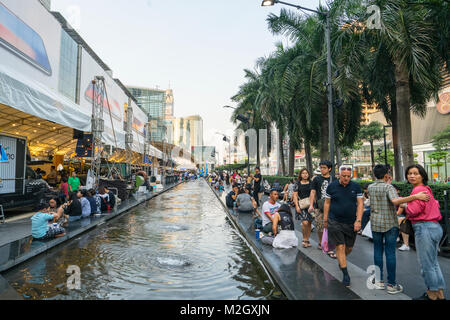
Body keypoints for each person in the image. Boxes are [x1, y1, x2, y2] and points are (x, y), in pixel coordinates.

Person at [368, 164, 431, 294]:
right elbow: (395, 201)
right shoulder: (388, 187)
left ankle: (379, 282)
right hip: (390, 224)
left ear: (375, 175)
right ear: (387, 175)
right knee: (390, 253)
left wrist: (387, 183)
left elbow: (384, 198)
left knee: (377, 251)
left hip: (375, 224)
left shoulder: (371, 186)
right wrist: (415, 197)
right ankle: (391, 284)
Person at [402, 164, 446, 301]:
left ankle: (431, 295)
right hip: (434, 227)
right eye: (410, 173)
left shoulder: (418, 190)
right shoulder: (426, 189)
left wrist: (405, 204)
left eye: (416, 173)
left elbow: (414, 211)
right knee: (433, 263)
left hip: (424, 228)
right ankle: (440, 294)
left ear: (422, 175)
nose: (412, 176)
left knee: (426, 264)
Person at [323, 165, 364, 288]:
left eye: (348, 176)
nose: (346, 178)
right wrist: (325, 219)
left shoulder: (356, 187)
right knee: (340, 246)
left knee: (349, 248)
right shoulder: (332, 186)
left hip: (351, 222)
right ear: (339, 175)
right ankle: (345, 274)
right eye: (344, 176)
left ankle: (342, 260)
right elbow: (327, 202)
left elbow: (360, 204)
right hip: (335, 221)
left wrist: (358, 220)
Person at [308, 160, 337, 254]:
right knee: (320, 226)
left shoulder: (334, 179)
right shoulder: (316, 179)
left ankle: (330, 243)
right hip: (319, 206)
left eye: (324, 168)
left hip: (332, 207)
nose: (322, 169)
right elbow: (313, 192)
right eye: (321, 167)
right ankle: (321, 242)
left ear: (329, 169)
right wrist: (311, 205)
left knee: (331, 226)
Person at [293, 169, 313, 248]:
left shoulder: (311, 183)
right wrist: (297, 206)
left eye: (306, 173)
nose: (305, 175)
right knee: (305, 223)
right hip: (301, 205)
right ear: (300, 175)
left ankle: (307, 239)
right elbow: (295, 196)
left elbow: (313, 193)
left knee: (309, 223)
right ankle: (304, 239)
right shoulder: (297, 183)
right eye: (303, 173)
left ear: (308, 174)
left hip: (310, 205)